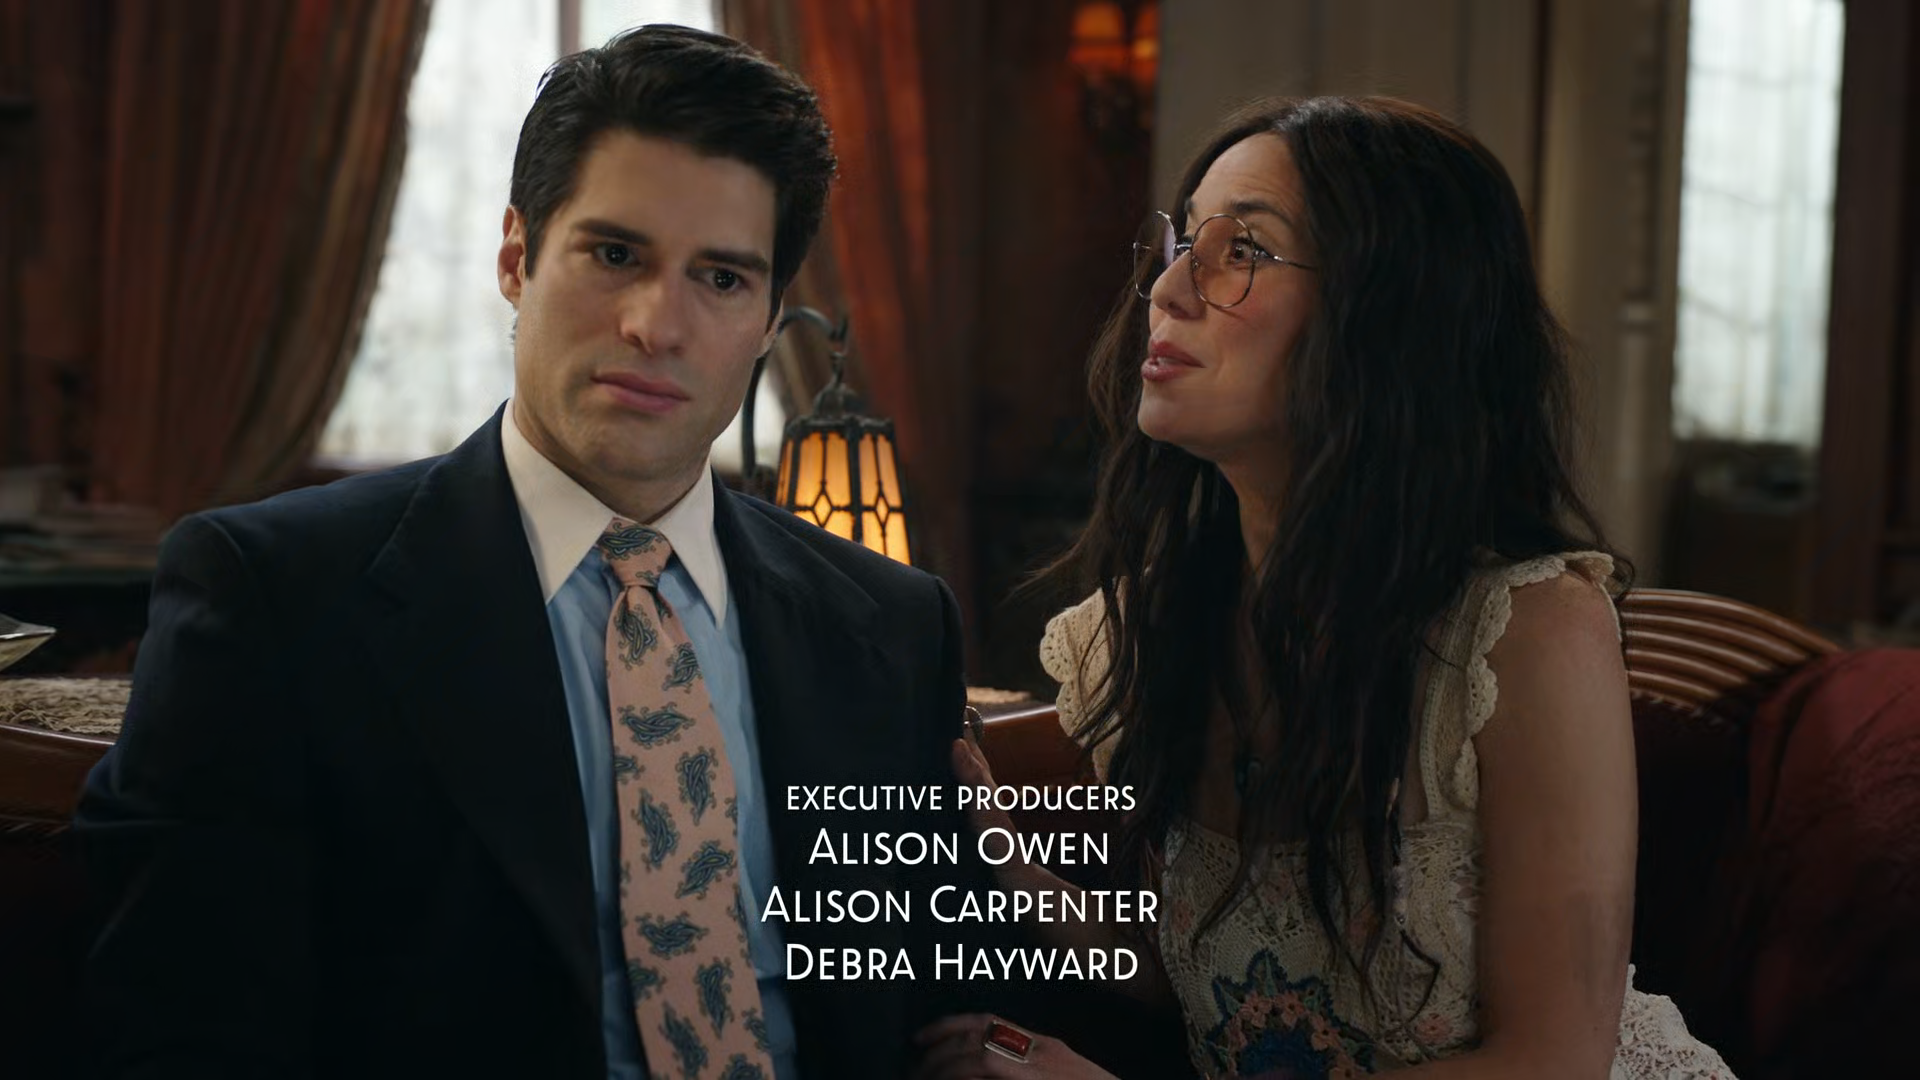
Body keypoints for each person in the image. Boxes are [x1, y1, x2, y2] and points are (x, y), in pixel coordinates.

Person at [77, 26, 986, 1080]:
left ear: (771, 318)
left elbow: (952, 1002)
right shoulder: (273, 596)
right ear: (516, 257)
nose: (657, 325)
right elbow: (179, 1032)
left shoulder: (893, 624)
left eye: (721, 279)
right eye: (615, 255)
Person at [916, 97, 1737, 1078]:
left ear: (1388, 316)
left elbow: (1553, 1062)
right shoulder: (1157, 622)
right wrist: (1005, 863)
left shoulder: (1522, 632)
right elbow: (1217, 972)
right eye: (1182, 243)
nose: (1168, 291)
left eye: (1242, 251)